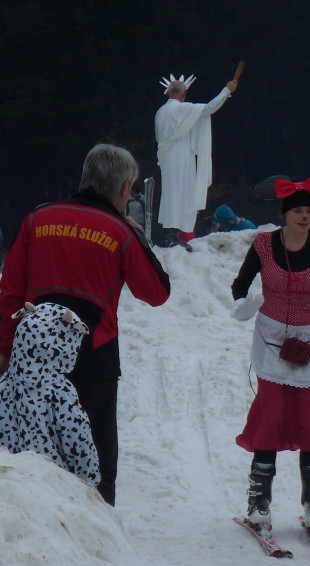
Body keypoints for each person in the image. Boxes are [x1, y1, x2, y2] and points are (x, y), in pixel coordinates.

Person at [0, 144, 171, 505]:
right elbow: (156, 292)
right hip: (93, 359)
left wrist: (3, 350)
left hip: (30, 358)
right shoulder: (120, 232)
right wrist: (139, 236)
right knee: (94, 461)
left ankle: (36, 523)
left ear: (85, 177)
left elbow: (10, 291)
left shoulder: (36, 220)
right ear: (124, 187)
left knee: (30, 454)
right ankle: (97, 527)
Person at [230, 160, 310, 531]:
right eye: (298, 211)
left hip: (309, 342)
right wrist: (243, 303)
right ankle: (259, 500)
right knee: (270, 415)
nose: (304, 217)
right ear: (285, 213)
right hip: (270, 340)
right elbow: (240, 283)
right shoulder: (264, 244)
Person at [0, 302, 101, 487]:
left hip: (7, 483)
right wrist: (88, 482)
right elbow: (77, 438)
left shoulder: (4, 385)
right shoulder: (60, 394)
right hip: (52, 486)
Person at [155, 75, 238, 248]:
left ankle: (170, 232)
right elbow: (209, 108)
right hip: (181, 157)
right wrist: (226, 91)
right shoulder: (182, 108)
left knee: (171, 193)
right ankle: (174, 233)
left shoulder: (160, 112)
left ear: (167, 92)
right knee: (182, 193)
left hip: (167, 158)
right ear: (184, 94)